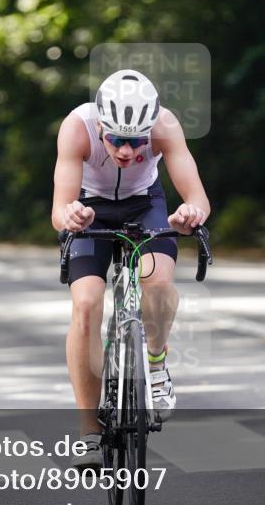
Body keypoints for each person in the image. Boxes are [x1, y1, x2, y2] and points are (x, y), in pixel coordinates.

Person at [51, 69, 211, 470]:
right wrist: (71, 215)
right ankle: (89, 433)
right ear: (101, 126)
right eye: (117, 140)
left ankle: (155, 364)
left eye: (137, 141)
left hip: (145, 203)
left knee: (157, 285)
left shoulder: (165, 125)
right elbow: (58, 210)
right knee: (86, 305)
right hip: (91, 208)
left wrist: (190, 213)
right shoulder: (77, 127)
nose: (126, 151)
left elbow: (198, 199)